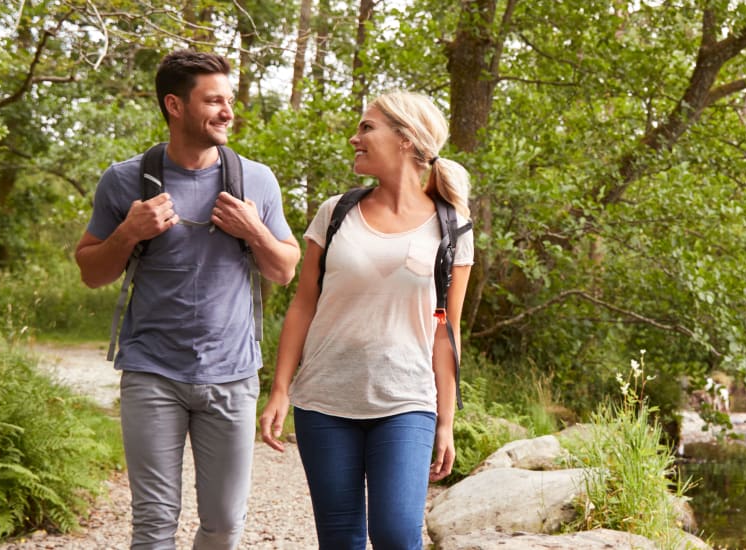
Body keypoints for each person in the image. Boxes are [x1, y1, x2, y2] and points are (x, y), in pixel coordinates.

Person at [74, 50, 300, 550]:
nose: (227, 111)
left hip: (233, 375)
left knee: (222, 525)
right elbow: (92, 271)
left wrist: (254, 229)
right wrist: (129, 232)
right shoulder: (124, 179)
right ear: (174, 105)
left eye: (229, 100)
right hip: (153, 372)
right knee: (153, 526)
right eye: (213, 100)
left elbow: (284, 269)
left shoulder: (255, 180)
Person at [259, 90, 474, 549]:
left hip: (406, 401)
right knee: (340, 540)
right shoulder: (336, 212)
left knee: (396, 534)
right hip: (324, 400)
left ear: (405, 139)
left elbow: (446, 329)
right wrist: (280, 389)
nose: (354, 137)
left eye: (366, 128)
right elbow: (303, 304)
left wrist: (446, 420)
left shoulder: (452, 228)